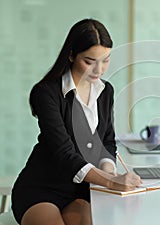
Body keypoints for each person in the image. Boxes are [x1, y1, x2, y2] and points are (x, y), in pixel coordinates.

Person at [11, 18, 142, 225]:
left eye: (106, 60)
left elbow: (106, 141)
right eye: (90, 61)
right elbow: (64, 153)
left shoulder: (105, 91)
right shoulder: (47, 93)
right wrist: (111, 182)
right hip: (42, 187)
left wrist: (109, 171)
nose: (99, 70)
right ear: (71, 55)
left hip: (81, 190)